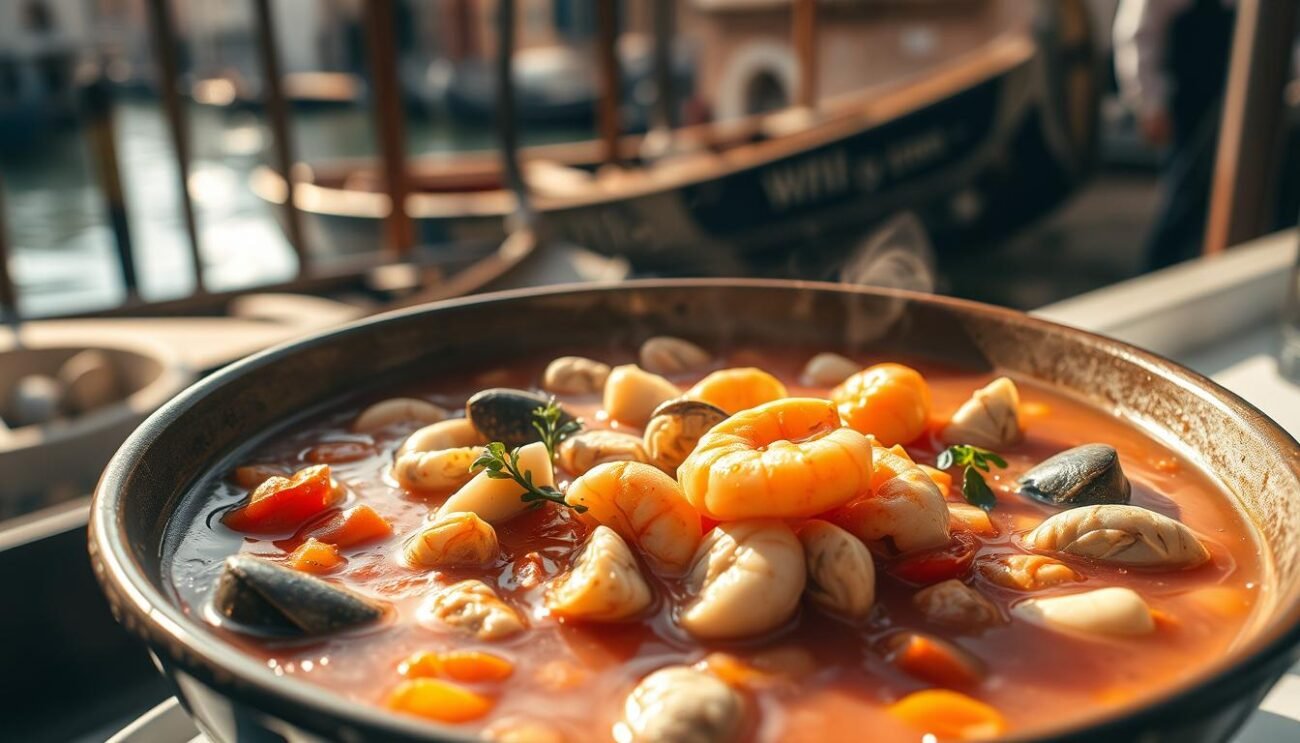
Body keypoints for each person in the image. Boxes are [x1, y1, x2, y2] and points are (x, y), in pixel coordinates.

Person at [1113, 0, 1236, 270]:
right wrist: (1149, 104)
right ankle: (1158, 272)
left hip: (1235, 93)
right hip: (1190, 100)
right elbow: (1138, 35)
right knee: (1186, 189)